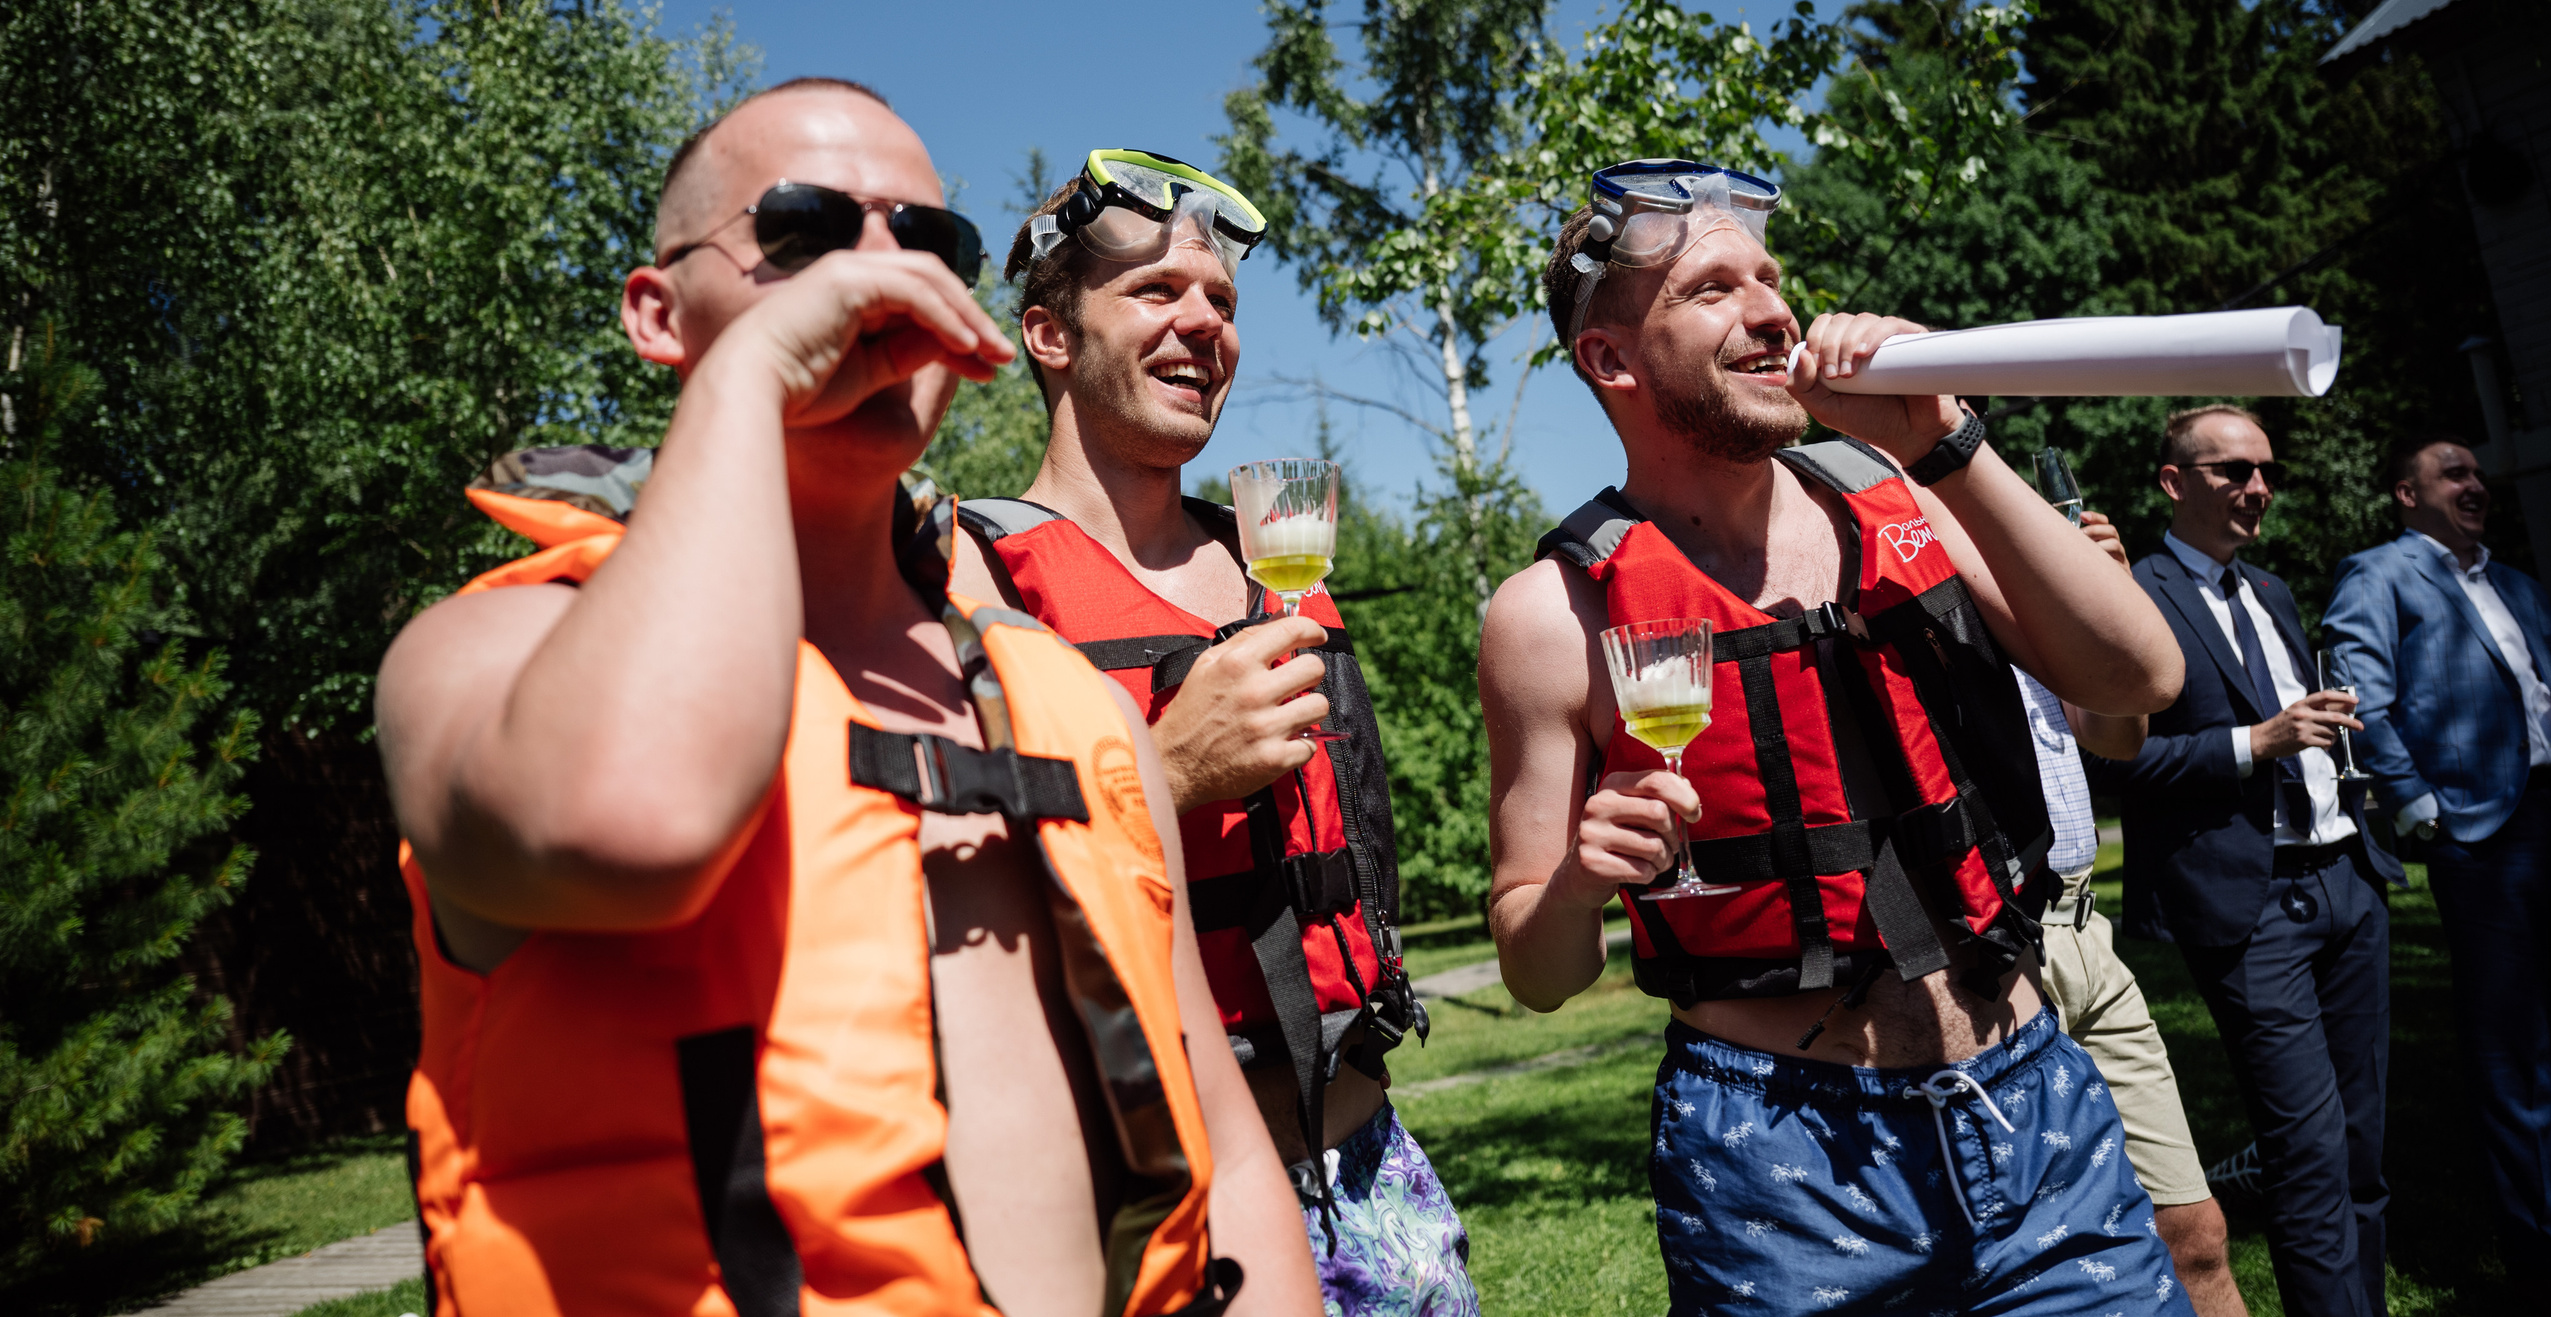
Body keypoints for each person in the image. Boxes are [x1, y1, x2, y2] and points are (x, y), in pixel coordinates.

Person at [376, 83, 1317, 1317]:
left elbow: (1226, 1153)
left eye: (927, 242)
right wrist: (752, 378)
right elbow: (630, 823)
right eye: (806, 231)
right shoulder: (485, 652)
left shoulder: (1070, 707)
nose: (879, 277)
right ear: (659, 313)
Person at [1482, 158, 2192, 1314]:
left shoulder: (1911, 494)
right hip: (1781, 1163)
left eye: (1771, 278)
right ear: (1609, 359)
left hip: (2033, 1101)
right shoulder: (1548, 617)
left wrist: (1946, 440)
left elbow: (2139, 676)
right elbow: (1535, 968)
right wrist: (1574, 883)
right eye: (1713, 288)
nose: (1773, 310)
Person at [948, 149, 1471, 1315]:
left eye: (1222, 300)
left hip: (1373, 1165)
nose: (1204, 322)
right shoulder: (972, 574)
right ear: (1047, 334)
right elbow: (948, 900)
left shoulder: (1273, 556)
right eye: (1155, 290)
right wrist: (1169, 772)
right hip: (1164, 1203)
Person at [2096, 402, 2401, 1317]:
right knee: (2307, 1155)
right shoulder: (2133, 593)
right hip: (2249, 903)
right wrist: (2255, 742)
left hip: (2348, 878)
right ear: (2174, 482)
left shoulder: (2269, 590)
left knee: (2362, 1147)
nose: (2258, 487)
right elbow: (2118, 762)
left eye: (2266, 470)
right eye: (2234, 470)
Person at [2324, 434, 2551, 1307]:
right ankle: (2543, 1252)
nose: (2476, 483)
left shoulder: (2519, 583)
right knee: (2513, 1046)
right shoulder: (2378, 574)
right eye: (2453, 472)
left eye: (2478, 472)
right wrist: (2424, 810)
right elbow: (2363, 699)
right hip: (2484, 833)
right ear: (2406, 493)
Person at [2016, 506, 2245, 1317]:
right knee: (2036, 1264)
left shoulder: (2018, 546)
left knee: (2195, 1231)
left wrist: (2106, 598)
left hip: (2087, 932)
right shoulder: (1877, 550)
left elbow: (2116, 737)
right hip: (1995, 950)